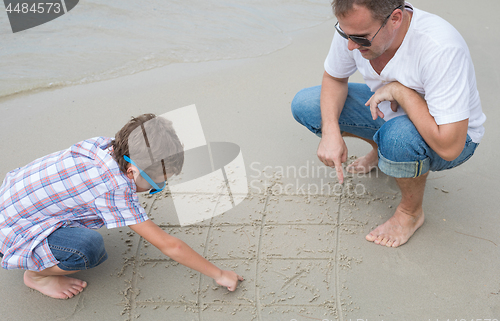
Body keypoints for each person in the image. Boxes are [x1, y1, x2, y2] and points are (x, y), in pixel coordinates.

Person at [291, 0, 485, 248]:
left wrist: (402, 93)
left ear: (395, 19)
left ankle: (410, 213)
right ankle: (379, 150)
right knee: (307, 104)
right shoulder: (356, 26)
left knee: (398, 138)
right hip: (390, 113)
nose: (350, 45)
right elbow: (334, 78)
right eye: (344, 34)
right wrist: (330, 132)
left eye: (360, 39)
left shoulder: (440, 48)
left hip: (455, 136)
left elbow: (451, 147)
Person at [0, 114, 243, 299]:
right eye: (155, 184)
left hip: (10, 197)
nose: (157, 188)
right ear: (131, 171)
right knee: (89, 248)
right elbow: (170, 245)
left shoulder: (103, 146)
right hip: (13, 233)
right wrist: (220, 274)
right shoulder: (113, 189)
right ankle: (37, 275)